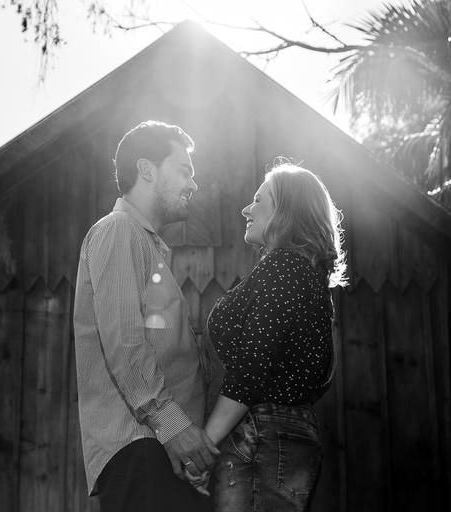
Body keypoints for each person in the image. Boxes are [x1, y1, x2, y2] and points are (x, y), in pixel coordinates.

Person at [72, 120, 218, 512]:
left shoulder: (145, 245)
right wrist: (174, 428)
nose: (193, 184)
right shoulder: (118, 231)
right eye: (184, 170)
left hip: (163, 451)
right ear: (147, 170)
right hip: (142, 451)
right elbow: (125, 343)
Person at [189, 163, 347, 511]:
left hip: (259, 437)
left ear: (286, 211)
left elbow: (251, 368)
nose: (246, 209)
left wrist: (205, 447)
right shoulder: (307, 278)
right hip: (281, 436)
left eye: (259, 200)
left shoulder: (282, 267)